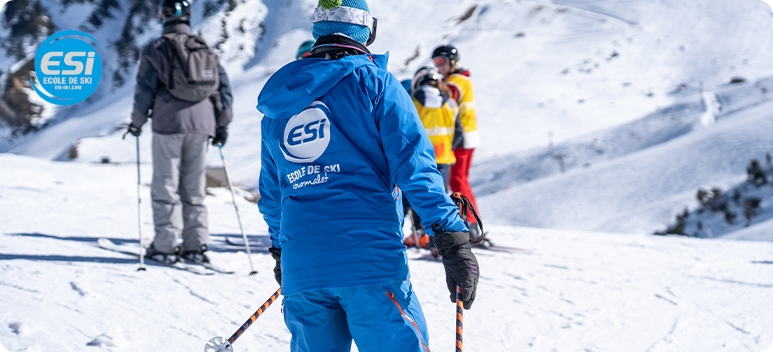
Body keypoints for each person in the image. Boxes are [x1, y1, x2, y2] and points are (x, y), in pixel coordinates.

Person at [256, 1, 480, 351]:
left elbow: (272, 196)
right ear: (366, 30)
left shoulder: (278, 105)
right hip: (370, 265)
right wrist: (451, 237)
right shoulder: (376, 84)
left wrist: (282, 253)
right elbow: (416, 168)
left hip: (304, 270)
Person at [127, 0, 233, 265]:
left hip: (168, 124)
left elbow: (144, 90)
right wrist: (222, 125)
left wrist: (137, 123)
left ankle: (164, 246)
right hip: (203, 125)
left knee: (166, 186)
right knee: (194, 188)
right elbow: (223, 89)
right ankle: (195, 247)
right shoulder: (204, 47)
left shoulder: (156, 48)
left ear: (162, 17)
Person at [402, 66, 462, 251]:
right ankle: (440, 241)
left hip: (416, 158)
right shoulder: (451, 104)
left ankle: (410, 234)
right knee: (438, 201)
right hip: (442, 159)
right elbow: (458, 133)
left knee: (408, 199)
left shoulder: (411, 101)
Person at [432, 44, 486, 244]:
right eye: (436, 63)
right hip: (461, 137)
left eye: (442, 62)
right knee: (459, 180)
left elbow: (447, 97)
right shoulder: (454, 80)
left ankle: (471, 224)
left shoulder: (458, 81)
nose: (439, 67)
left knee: (458, 181)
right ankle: (471, 222)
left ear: (452, 62)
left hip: (462, 138)